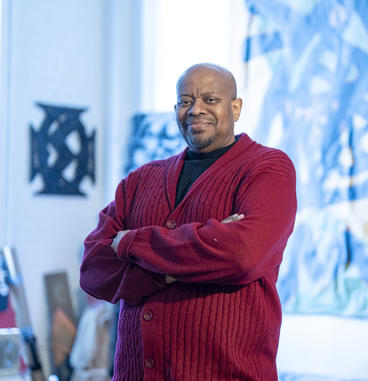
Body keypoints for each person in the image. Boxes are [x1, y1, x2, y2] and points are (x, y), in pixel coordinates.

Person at [80, 63, 297, 380]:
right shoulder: (141, 180)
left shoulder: (267, 169)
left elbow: (242, 254)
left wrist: (131, 242)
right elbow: (93, 269)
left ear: (235, 107)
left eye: (210, 100)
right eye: (185, 101)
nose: (196, 110)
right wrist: (193, 255)